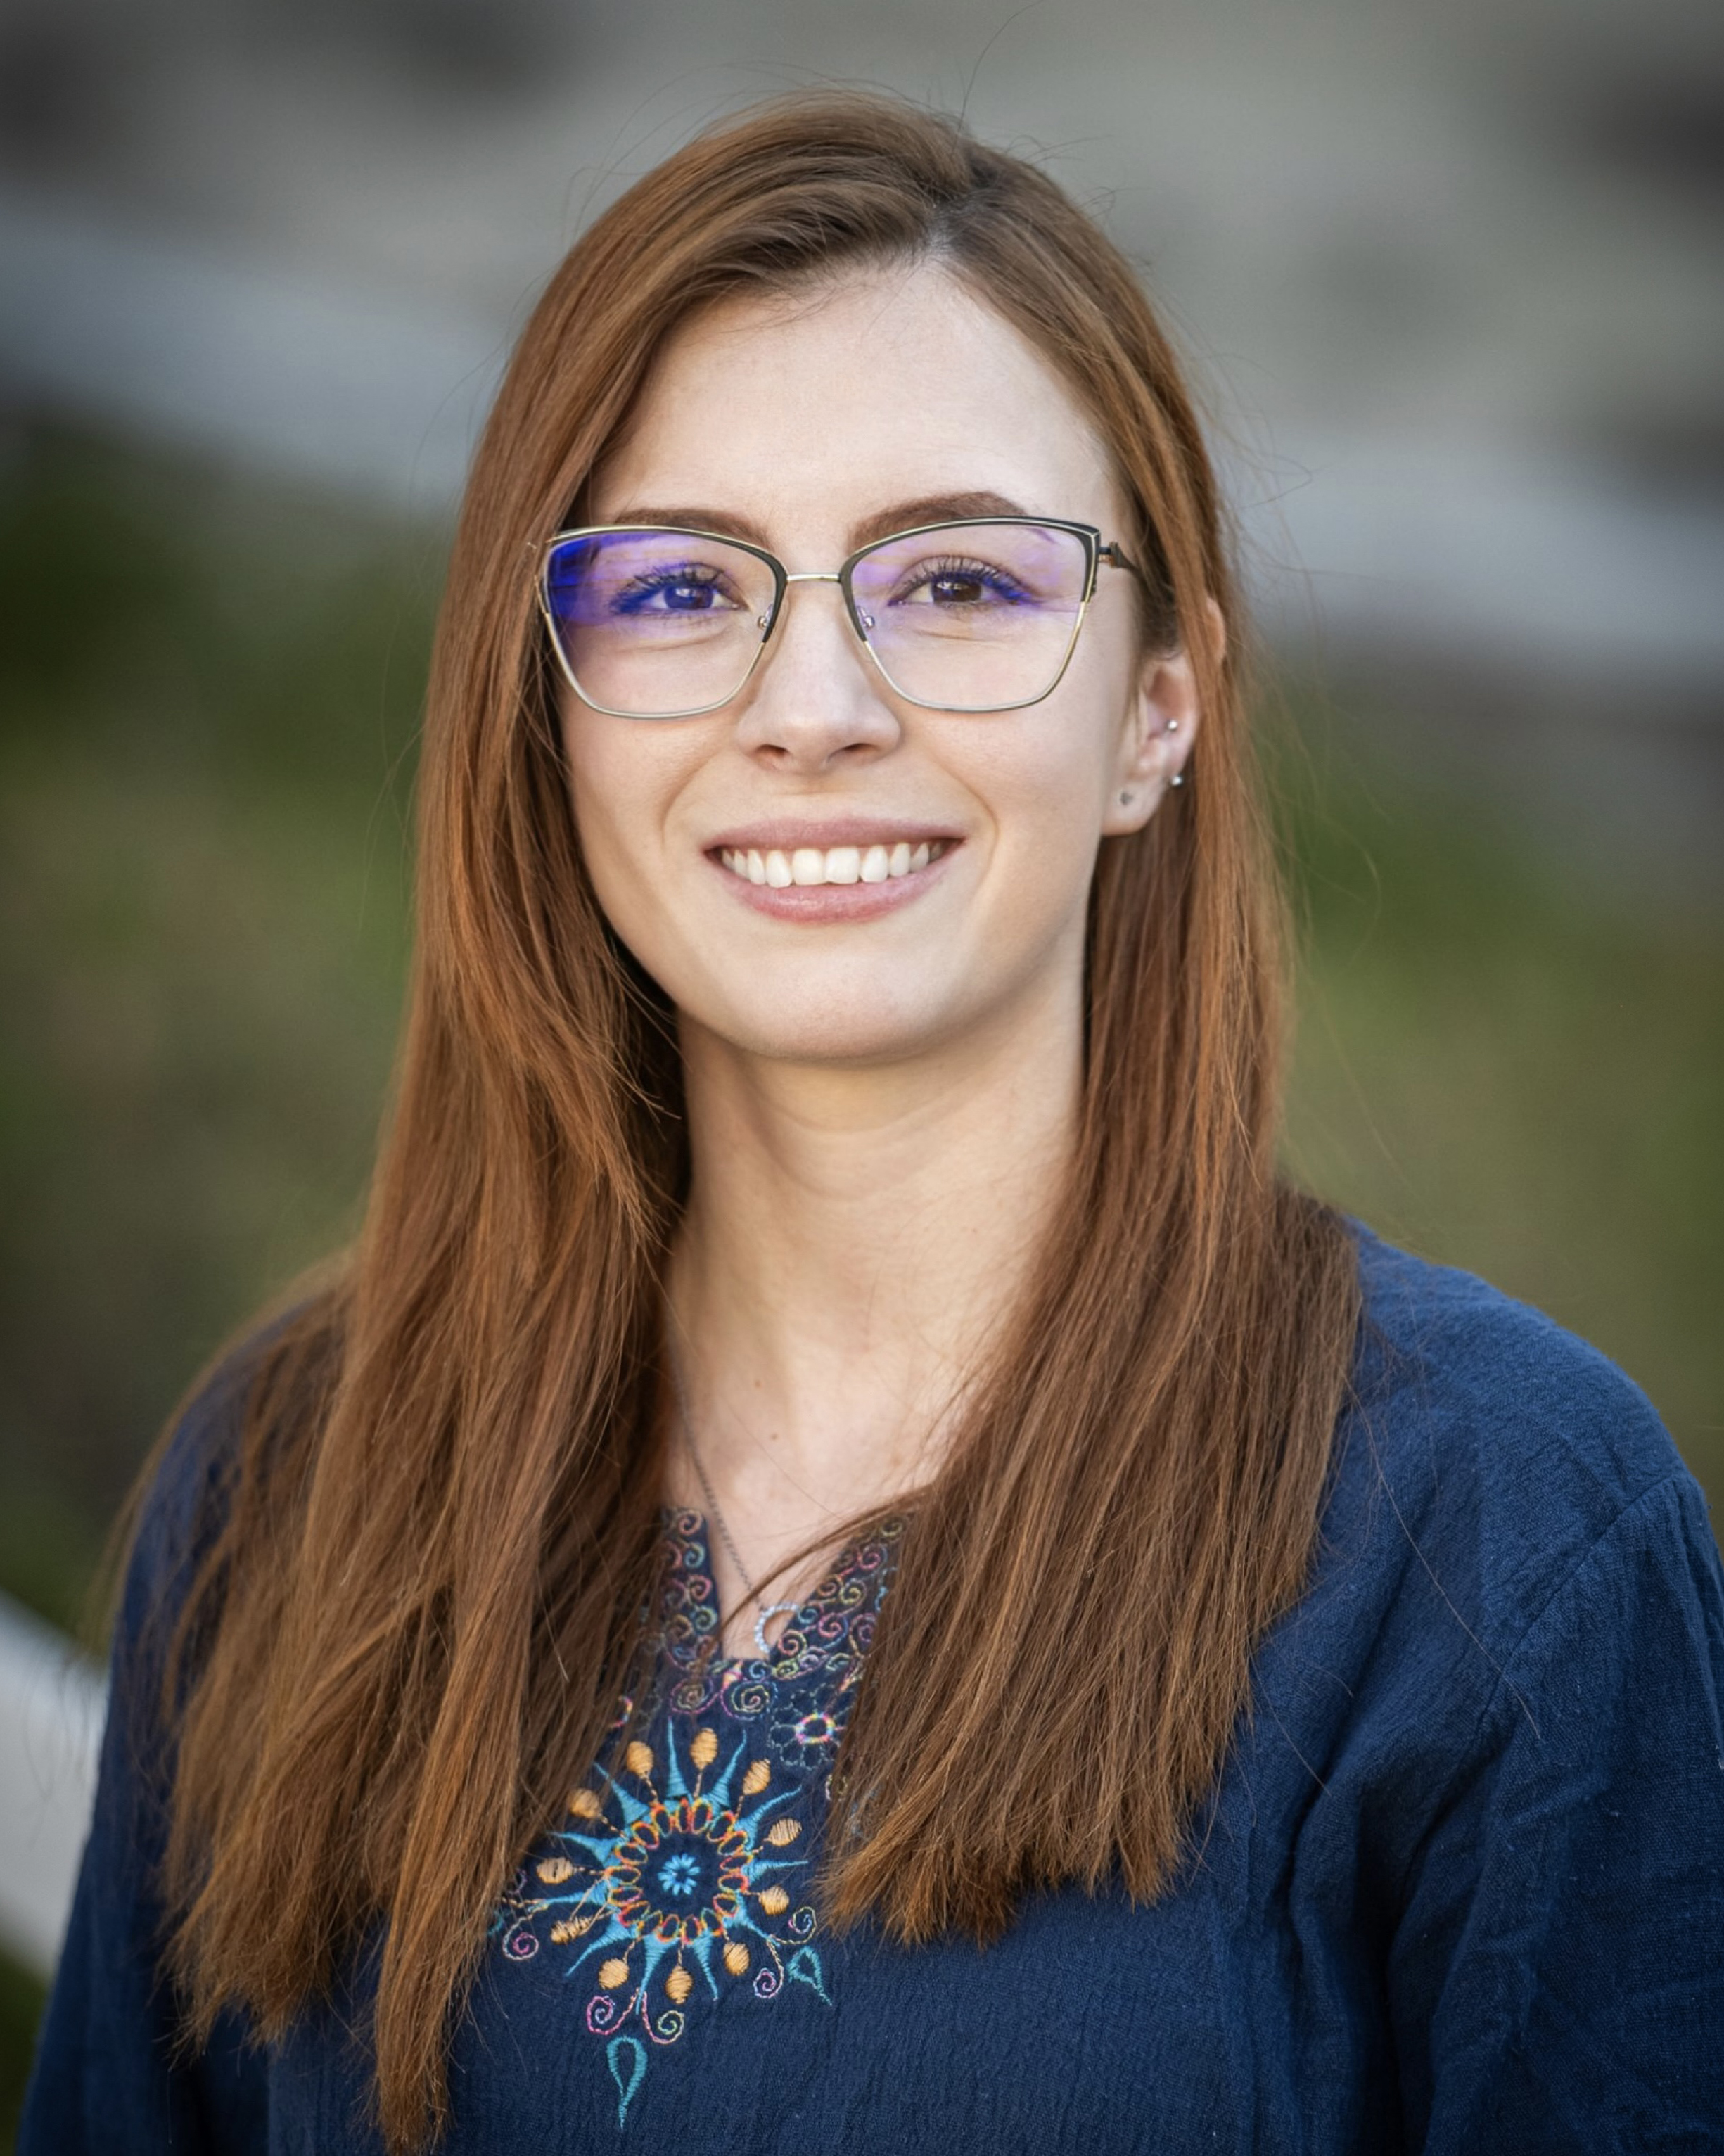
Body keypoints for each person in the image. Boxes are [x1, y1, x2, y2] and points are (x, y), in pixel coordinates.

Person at [22, 91, 1724, 2156]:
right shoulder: (289, 1485)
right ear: (544, 700)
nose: (811, 704)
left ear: (1156, 708)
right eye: (673, 587)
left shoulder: (1498, 1537)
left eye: (958, 583)